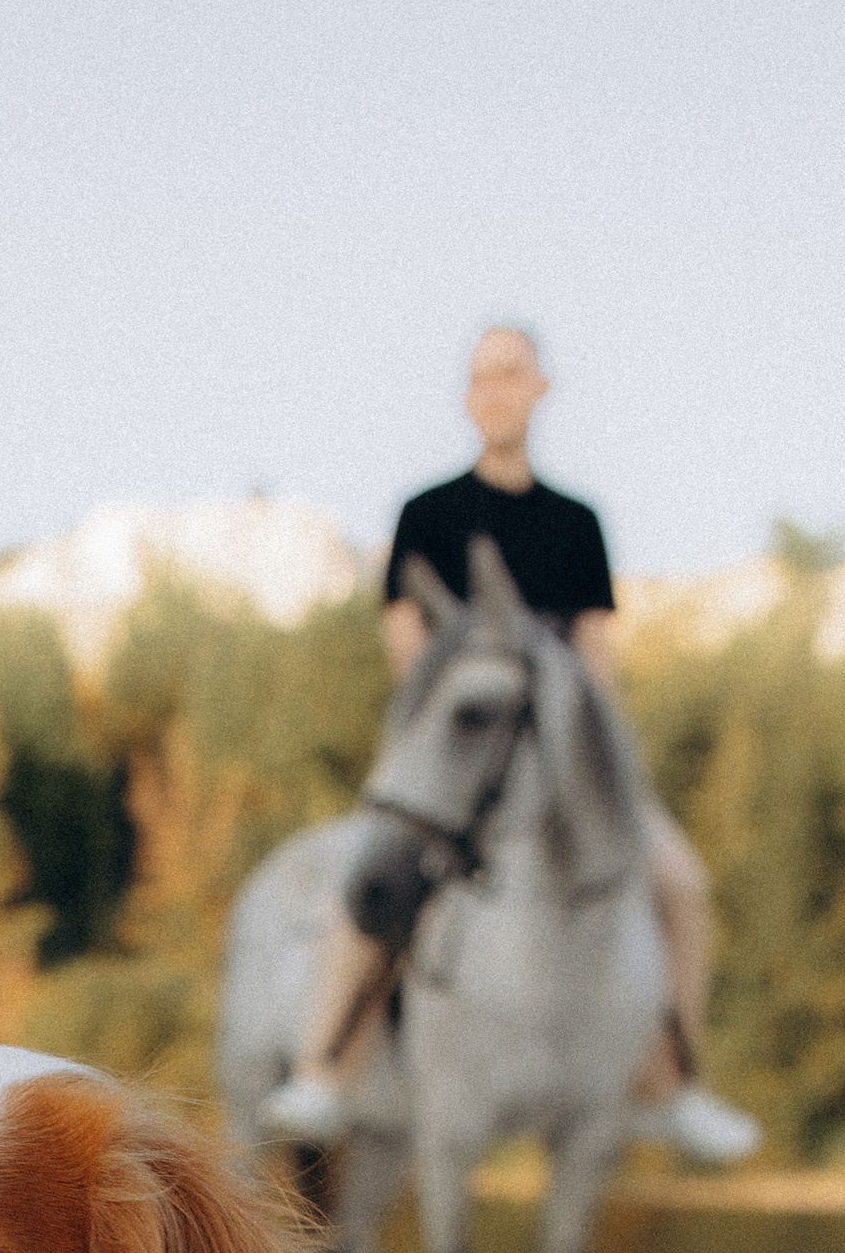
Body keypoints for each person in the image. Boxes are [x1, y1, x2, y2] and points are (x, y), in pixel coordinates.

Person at [262, 327, 759, 1164]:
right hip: (456, 758)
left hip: (567, 761)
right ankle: (327, 1070)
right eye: (482, 377)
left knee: (681, 882)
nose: (496, 390)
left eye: (511, 374)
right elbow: (408, 657)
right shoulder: (428, 514)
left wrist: (600, 764)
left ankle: (673, 1086)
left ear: (540, 389)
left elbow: (597, 661)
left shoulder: (576, 523)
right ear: (467, 397)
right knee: (378, 879)